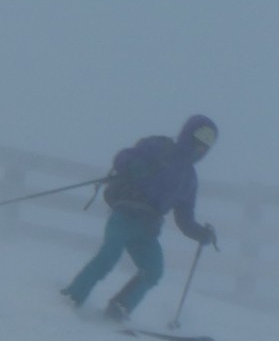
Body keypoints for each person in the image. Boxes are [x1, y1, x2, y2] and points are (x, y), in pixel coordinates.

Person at [61, 114, 218, 321]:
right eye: (202, 135)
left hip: (147, 228)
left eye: (210, 141)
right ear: (189, 133)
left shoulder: (189, 179)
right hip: (124, 215)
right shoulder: (159, 147)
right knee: (109, 256)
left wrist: (200, 233)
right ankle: (73, 296)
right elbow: (122, 157)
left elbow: (184, 218)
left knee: (153, 270)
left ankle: (120, 308)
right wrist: (133, 165)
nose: (203, 145)